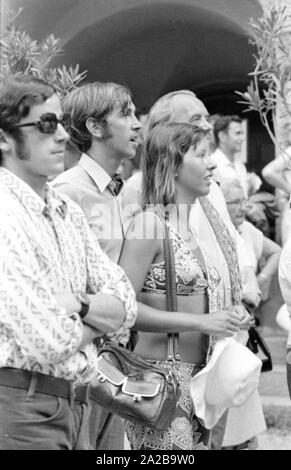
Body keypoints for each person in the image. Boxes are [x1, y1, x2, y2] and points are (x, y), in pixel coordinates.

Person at [0, 73, 138, 450]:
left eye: (60, 122)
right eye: (46, 124)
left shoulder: (65, 211)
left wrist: (78, 304)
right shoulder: (5, 214)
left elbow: (125, 305)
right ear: (4, 137)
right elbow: (47, 340)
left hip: (77, 403)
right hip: (23, 408)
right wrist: (96, 318)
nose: (62, 134)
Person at [122, 90, 260, 449]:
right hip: (160, 384)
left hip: (200, 384)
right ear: (172, 164)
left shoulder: (192, 227)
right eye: (201, 155)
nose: (212, 165)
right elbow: (124, 309)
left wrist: (226, 317)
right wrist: (201, 322)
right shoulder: (149, 224)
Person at [220, 179, 281, 450]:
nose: (242, 207)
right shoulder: (216, 232)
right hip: (224, 333)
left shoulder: (248, 233)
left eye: (243, 200)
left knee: (245, 418)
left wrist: (263, 277)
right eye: (234, 201)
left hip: (244, 336)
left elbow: (276, 252)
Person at [212, 115, 248, 198]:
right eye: (238, 133)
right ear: (222, 136)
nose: (242, 138)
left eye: (242, 133)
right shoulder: (212, 165)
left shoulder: (240, 166)